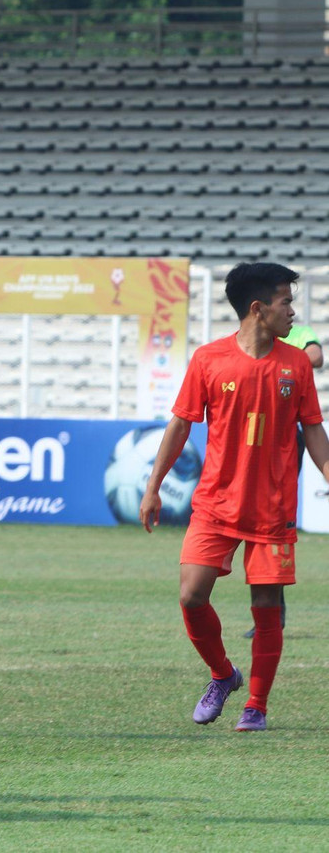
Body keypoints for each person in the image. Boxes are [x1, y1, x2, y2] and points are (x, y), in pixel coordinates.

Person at [140, 262, 329, 732]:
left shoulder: (295, 363)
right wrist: (153, 486)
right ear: (258, 308)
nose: (293, 311)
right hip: (216, 505)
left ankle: (257, 707)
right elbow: (181, 424)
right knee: (190, 595)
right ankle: (224, 675)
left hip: (272, 509)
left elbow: (313, 430)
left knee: (266, 609)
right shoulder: (209, 360)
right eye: (286, 302)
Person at [242, 321, 324, 638]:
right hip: (250, 436)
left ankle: (274, 613)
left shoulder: (297, 333)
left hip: (285, 439)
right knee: (253, 521)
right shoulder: (247, 340)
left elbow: (315, 356)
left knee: (272, 520)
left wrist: (286, 354)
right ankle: (269, 611)